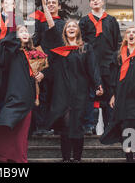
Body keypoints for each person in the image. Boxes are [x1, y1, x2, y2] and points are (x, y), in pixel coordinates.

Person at [0, 0, 45, 163]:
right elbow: (6, 40)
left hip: (28, 97)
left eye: (26, 31)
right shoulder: (12, 51)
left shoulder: (34, 53)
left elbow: (41, 69)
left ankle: (19, 159)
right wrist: (9, 12)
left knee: (22, 132)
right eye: (20, 30)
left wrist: (41, 74)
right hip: (13, 95)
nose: (23, 32)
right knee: (6, 125)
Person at [44, 19, 103, 162]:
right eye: (68, 26)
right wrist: (45, 7)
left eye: (74, 26)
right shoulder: (60, 48)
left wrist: (98, 84)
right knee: (65, 124)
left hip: (80, 91)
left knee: (77, 124)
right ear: (64, 31)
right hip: (63, 91)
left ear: (78, 31)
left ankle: (77, 158)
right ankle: (65, 158)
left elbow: (92, 67)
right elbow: (52, 28)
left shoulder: (85, 48)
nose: (71, 28)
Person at [100, 26, 135, 163]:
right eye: (128, 32)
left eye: (134, 32)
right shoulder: (117, 56)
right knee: (126, 125)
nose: (131, 34)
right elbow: (113, 77)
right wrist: (113, 95)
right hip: (121, 95)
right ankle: (129, 158)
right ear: (126, 37)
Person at [79, 0, 121, 135]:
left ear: (103, 2)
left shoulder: (111, 20)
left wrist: (117, 60)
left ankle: (110, 127)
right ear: (90, 4)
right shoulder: (84, 21)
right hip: (91, 65)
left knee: (109, 95)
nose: (95, 1)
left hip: (109, 64)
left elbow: (117, 42)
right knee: (92, 95)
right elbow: (81, 44)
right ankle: (90, 125)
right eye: (92, 0)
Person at [29, 0, 65, 136]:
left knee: (57, 96)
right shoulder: (40, 24)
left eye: (53, 3)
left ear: (59, 7)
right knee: (42, 96)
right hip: (43, 64)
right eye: (48, 3)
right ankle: (41, 127)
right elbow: (36, 41)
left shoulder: (62, 24)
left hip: (58, 64)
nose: (50, 5)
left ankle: (57, 125)